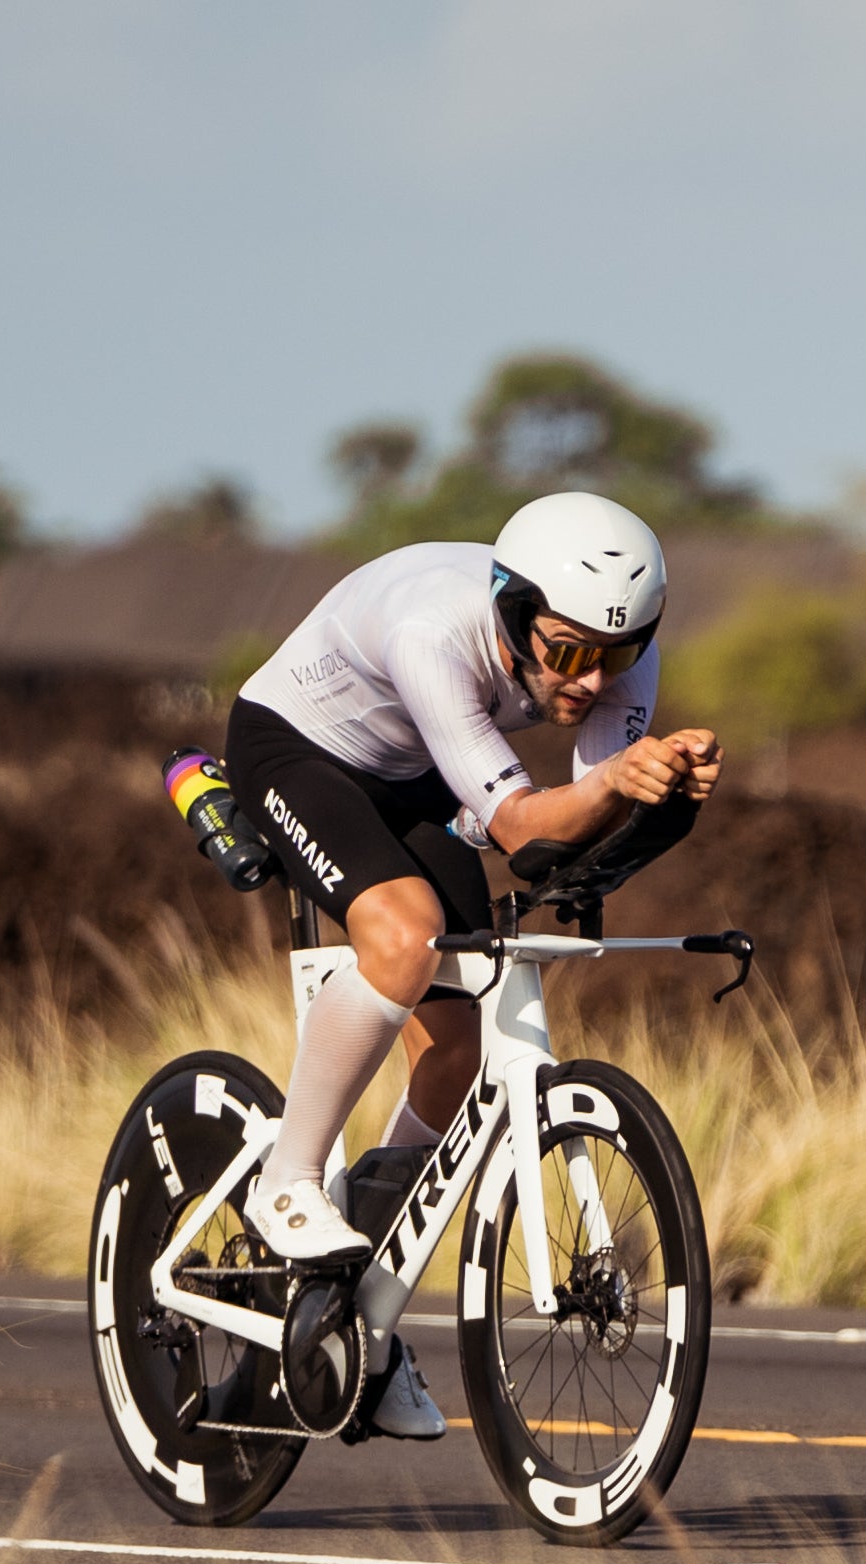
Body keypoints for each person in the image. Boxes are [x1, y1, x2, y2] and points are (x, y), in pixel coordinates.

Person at [218, 489, 722, 1439]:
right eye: (566, 651)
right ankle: (288, 1177)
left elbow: (577, 839)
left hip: (408, 775)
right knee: (404, 939)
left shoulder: (619, 653)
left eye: (614, 655)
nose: (586, 681)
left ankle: (355, 1303)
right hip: (296, 747)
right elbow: (526, 829)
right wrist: (617, 779)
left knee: (459, 1041)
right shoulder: (433, 629)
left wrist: (661, 789)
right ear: (511, 608)